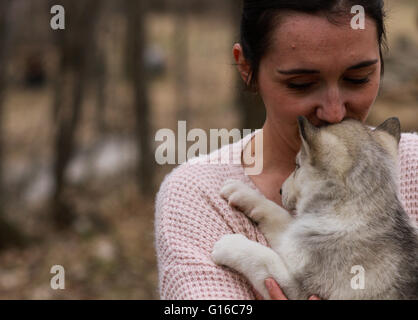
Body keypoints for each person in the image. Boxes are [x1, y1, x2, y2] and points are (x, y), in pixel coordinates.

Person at [154, 0, 418, 300]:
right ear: (246, 68)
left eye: (358, 78)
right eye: (301, 84)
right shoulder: (196, 199)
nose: (333, 113)